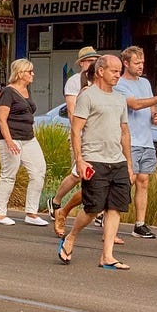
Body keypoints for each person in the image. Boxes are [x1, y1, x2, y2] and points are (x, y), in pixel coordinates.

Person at [62, 53, 133, 270]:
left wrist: (129, 164)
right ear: (101, 71)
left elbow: (124, 132)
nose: (118, 75)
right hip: (94, 160)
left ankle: (107, 256)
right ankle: (71, 236)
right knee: (93, 209)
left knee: (114, 208)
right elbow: (76, 130)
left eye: (119, 71)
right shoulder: (88, 96)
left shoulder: (120, 98)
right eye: (114, 71)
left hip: (117, 161)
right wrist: (80, 160)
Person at [114, 45, 157, 239]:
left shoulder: (145, 83)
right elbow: (134, 104)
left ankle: (140, 224)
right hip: (130, 140)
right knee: (127, 180)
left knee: (144, 181)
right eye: (136, 63)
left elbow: (151, 107)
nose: (141, 66)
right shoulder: (120, 84)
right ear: (126, 63)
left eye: (142, 62)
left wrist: (155, 115)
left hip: (146, 140)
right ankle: (107, 217)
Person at [0, 58, 49, 227]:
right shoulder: (8, 92)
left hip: (28, 137)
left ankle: (32, 212)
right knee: (9, 174)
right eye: (30, 72)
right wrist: (9, 141)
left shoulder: (26, 91)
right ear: (20, 73)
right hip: (11, 137)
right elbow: (2, 119)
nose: (33, 75)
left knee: (38, 171)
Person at [50, 46, 100, 231]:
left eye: (95, 59)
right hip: (82, 135)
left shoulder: (100, 80)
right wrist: (77, 132)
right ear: (82, 63)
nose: (93, 62)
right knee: (78, 175)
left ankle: (97, 212)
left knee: (94, 177)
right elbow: (72, 110)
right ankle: (56, 201)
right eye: (89, 60)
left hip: (98, 136)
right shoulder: (74, 81)